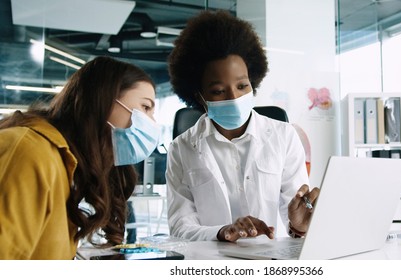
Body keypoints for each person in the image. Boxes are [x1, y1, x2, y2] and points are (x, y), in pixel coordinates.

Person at [166, 10, 320, 242]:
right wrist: (222, 232)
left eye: (242, 86)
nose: (234, 97)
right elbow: (180, 226)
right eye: (218, 91)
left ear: (253, 82)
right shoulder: (181, 148)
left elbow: (295, 213)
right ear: (199, 96)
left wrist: (299, 226)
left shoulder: (284, 136)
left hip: (272, 262)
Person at [0, 56, 163, 259]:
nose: (152, 122)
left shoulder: (65, 164)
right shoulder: (28, 152)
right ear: (103, 101)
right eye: (146, 107)